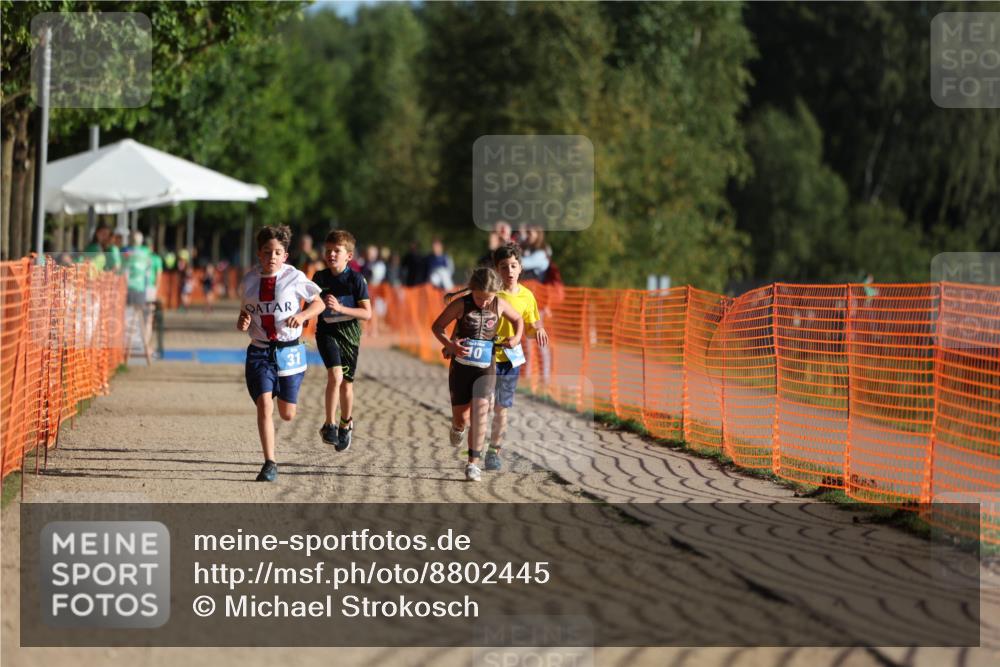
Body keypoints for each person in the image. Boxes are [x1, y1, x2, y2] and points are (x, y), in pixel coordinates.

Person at [236, 225, 325, 482]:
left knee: (287, 414)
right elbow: (245, 314)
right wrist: (242, 322)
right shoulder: (249, 281)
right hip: (260, 351)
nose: (272, 257)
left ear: (285, 255)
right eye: (267, 252)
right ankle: (269, 462)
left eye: (277, 252)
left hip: (289, 351)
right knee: (264, 404)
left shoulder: (294, 277)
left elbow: (318, 302)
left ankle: (284, 397)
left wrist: (303, 315)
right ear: (259, 254)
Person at [431, 267, 523, 481]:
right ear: (472, 290)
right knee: (462, 418)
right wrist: (450, 345)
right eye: (479, 297)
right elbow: (437, 327)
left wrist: (517, 337)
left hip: (486, 368)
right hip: (461, 369)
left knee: (481, 413)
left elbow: (517, 319)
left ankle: (473, 464)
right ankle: (457, 427)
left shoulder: (499, 304)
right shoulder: (461, 304)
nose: (483, 302)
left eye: (487, 298)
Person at [486, 243, 549, 471]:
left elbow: (532, 324)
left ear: (520, 268)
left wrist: (539, 329)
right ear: (497, 270)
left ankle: (493, 451)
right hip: (487, 356)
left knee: (502, 408)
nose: (509, 271)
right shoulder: (491, 293)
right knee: (486, 403)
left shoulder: (527, 296)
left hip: (511, 359)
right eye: (504, 267)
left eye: (513, 266)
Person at [311, 230, 372, 452]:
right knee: (334, 375)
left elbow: (367, 314)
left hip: (350, 337)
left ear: (349, 256)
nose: (331, 254)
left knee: (346, 383)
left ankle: (346, 423)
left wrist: (341, 308)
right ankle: (330, 425)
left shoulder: (356, 280)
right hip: (327, 333)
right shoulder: (319, 278)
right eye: (328, 251)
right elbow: (311, 304)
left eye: (337, 251)